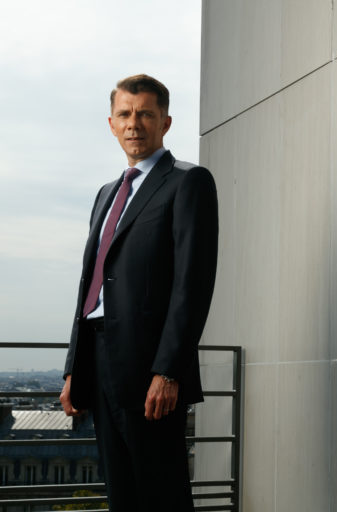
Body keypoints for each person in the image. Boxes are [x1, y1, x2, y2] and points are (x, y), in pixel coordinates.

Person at [59, 74, 218, 511]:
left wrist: (168, 371)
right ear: (111, 124)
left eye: (145, 114)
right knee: (122, 495)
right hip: (98, 360)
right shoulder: (105, 194)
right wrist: (74, 368)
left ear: (165, 122)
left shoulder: (188, 182)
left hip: (150, 369)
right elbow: (90, 286)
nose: (134, 124)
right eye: (125, 114)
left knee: (162, 494)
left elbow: (193, 284)